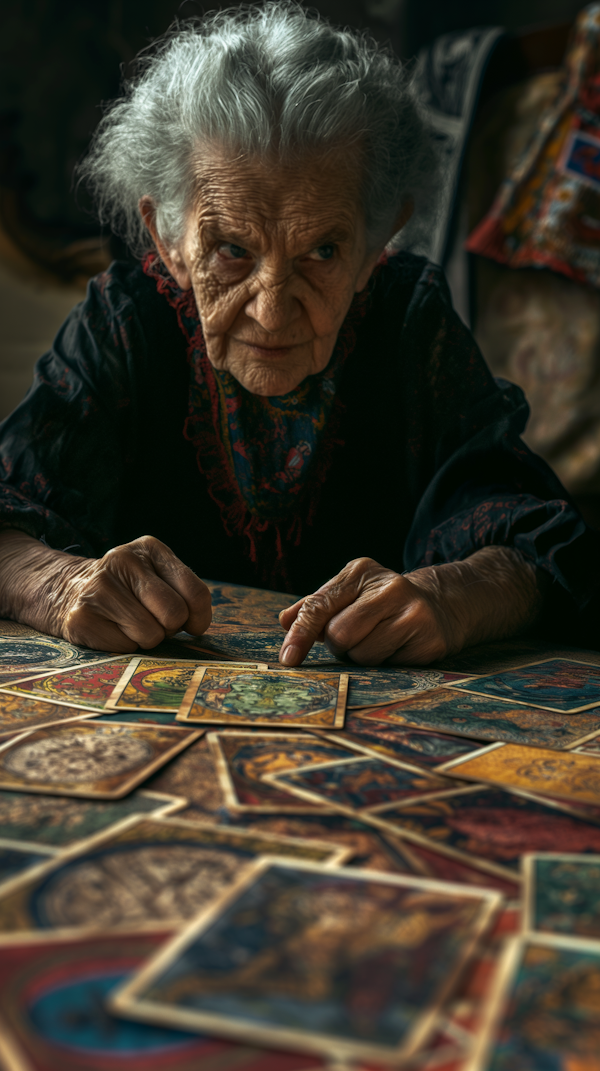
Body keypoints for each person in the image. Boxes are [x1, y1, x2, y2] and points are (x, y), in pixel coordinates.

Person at [0, 2, 597, 667]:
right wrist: (56, 583)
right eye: (230, 249)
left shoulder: (407, 317)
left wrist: (461, 593)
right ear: (168, 237)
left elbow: (541, 538)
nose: (274, 311)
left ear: (377, 242)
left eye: (321, 252)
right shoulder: (124, 321)